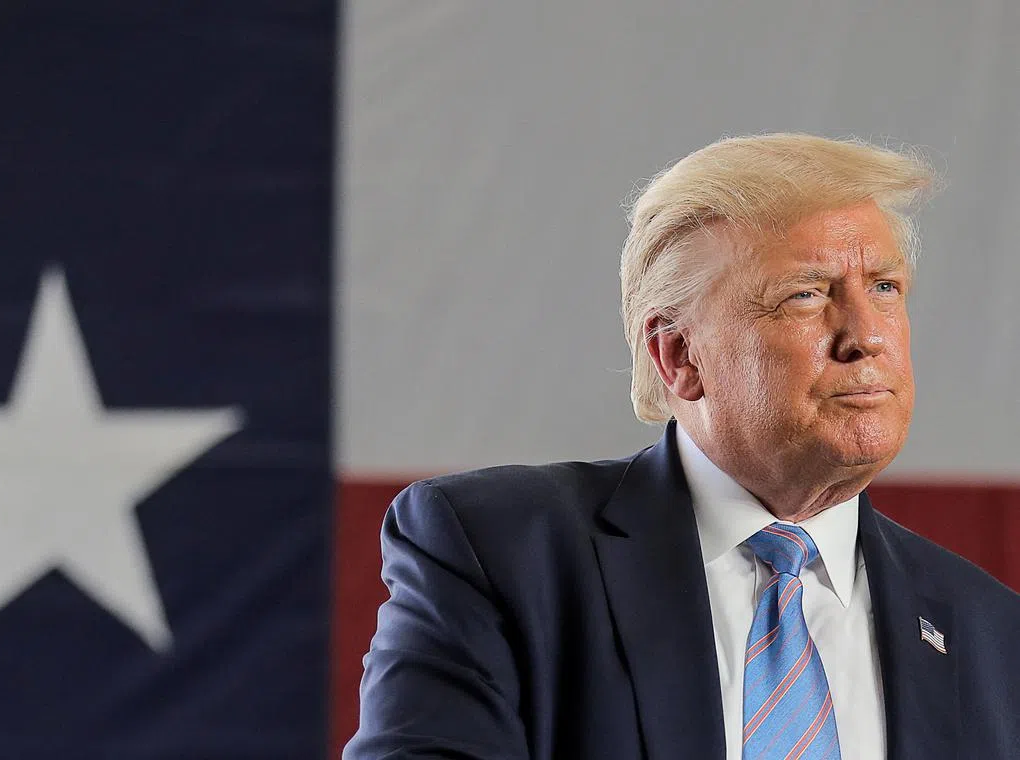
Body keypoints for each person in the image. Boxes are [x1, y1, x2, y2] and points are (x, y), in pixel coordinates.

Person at [343, 133, 1020, 759]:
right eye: (805, 296)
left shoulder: (990, 632)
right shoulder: (501, 553)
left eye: (883, 287)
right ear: (680, 356)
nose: (866, 336)